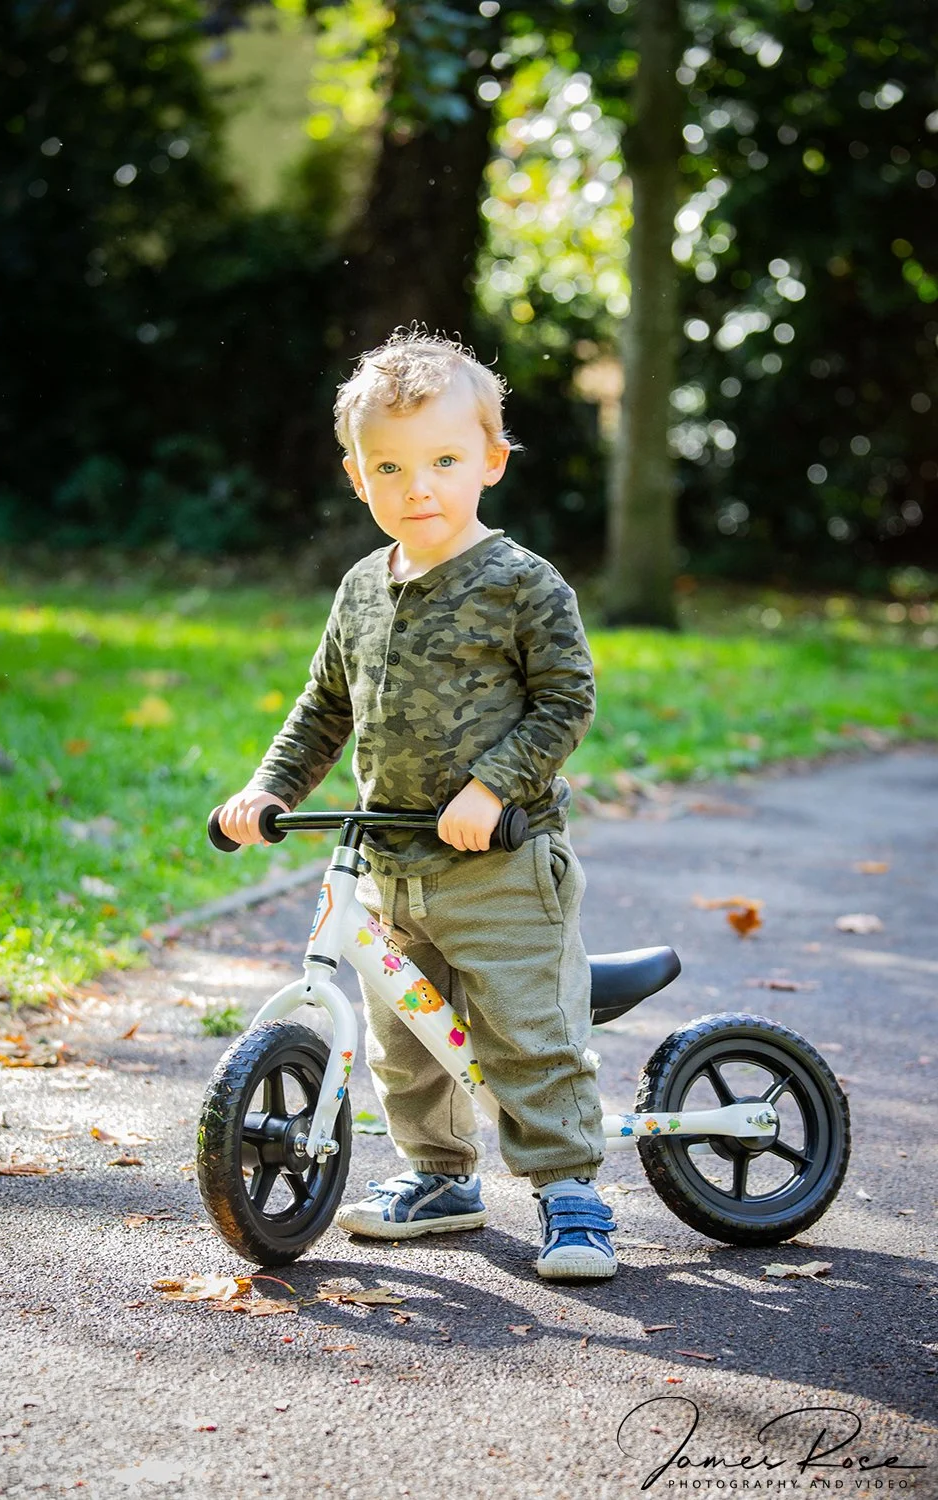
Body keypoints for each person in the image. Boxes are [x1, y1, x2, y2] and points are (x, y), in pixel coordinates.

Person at [218, 329, 616, 1280]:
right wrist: (268, 789)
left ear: (492, 459)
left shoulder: (523, 584)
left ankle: (571, 1193)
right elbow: (323, 707)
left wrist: (492, 788)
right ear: (357, 476)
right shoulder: (361, 588)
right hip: (391, 865)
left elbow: (568, 701)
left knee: (526, 1034)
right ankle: (441, 1175)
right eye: (389, 467)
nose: (417, 486)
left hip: (501, 866)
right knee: (407, 1042)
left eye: (443, 460)